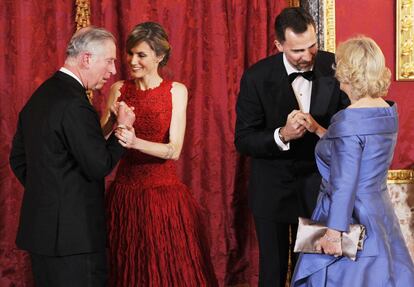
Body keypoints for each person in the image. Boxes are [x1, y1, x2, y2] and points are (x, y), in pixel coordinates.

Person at [9, 27, 136, 287]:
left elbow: (18, 159)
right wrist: (122, 127)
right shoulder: (75, 103)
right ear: (87, 59)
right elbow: (99, 164)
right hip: (75, 240)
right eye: (109, 60)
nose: (113, 71)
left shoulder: (40, 97)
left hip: (42, 236)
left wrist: (52, 192)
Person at [234, 7, 349, 287]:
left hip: (316, 191)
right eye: (297, 50)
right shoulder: (256, 77)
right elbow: (244, 139)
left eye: (312, 46)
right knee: (272, 272)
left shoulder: (335, 67)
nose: (308, 56)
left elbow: (349, 127)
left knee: (312, 274)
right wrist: (282, 135)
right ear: (279, 45)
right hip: (271, 191)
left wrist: (321, 130)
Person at [101, 22, 217, 287]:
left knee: (167, 270)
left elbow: (173, 150)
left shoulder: (176, 91)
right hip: (124, 196)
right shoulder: (118, 88)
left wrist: (134, 140)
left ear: (160, 56)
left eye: (141, 55)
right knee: (126, 267)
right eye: (130, 53)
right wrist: (113, 122)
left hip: (162, 199)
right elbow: (100, 138)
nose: (132, 60)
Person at [291, 36, 414, 286]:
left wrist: (334, 234)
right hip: (379, 212)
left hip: (351, 217)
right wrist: (318, 130)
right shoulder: (386, 111)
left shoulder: (349, 120)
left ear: (347, 72)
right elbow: (358, 152)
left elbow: (345, 181)